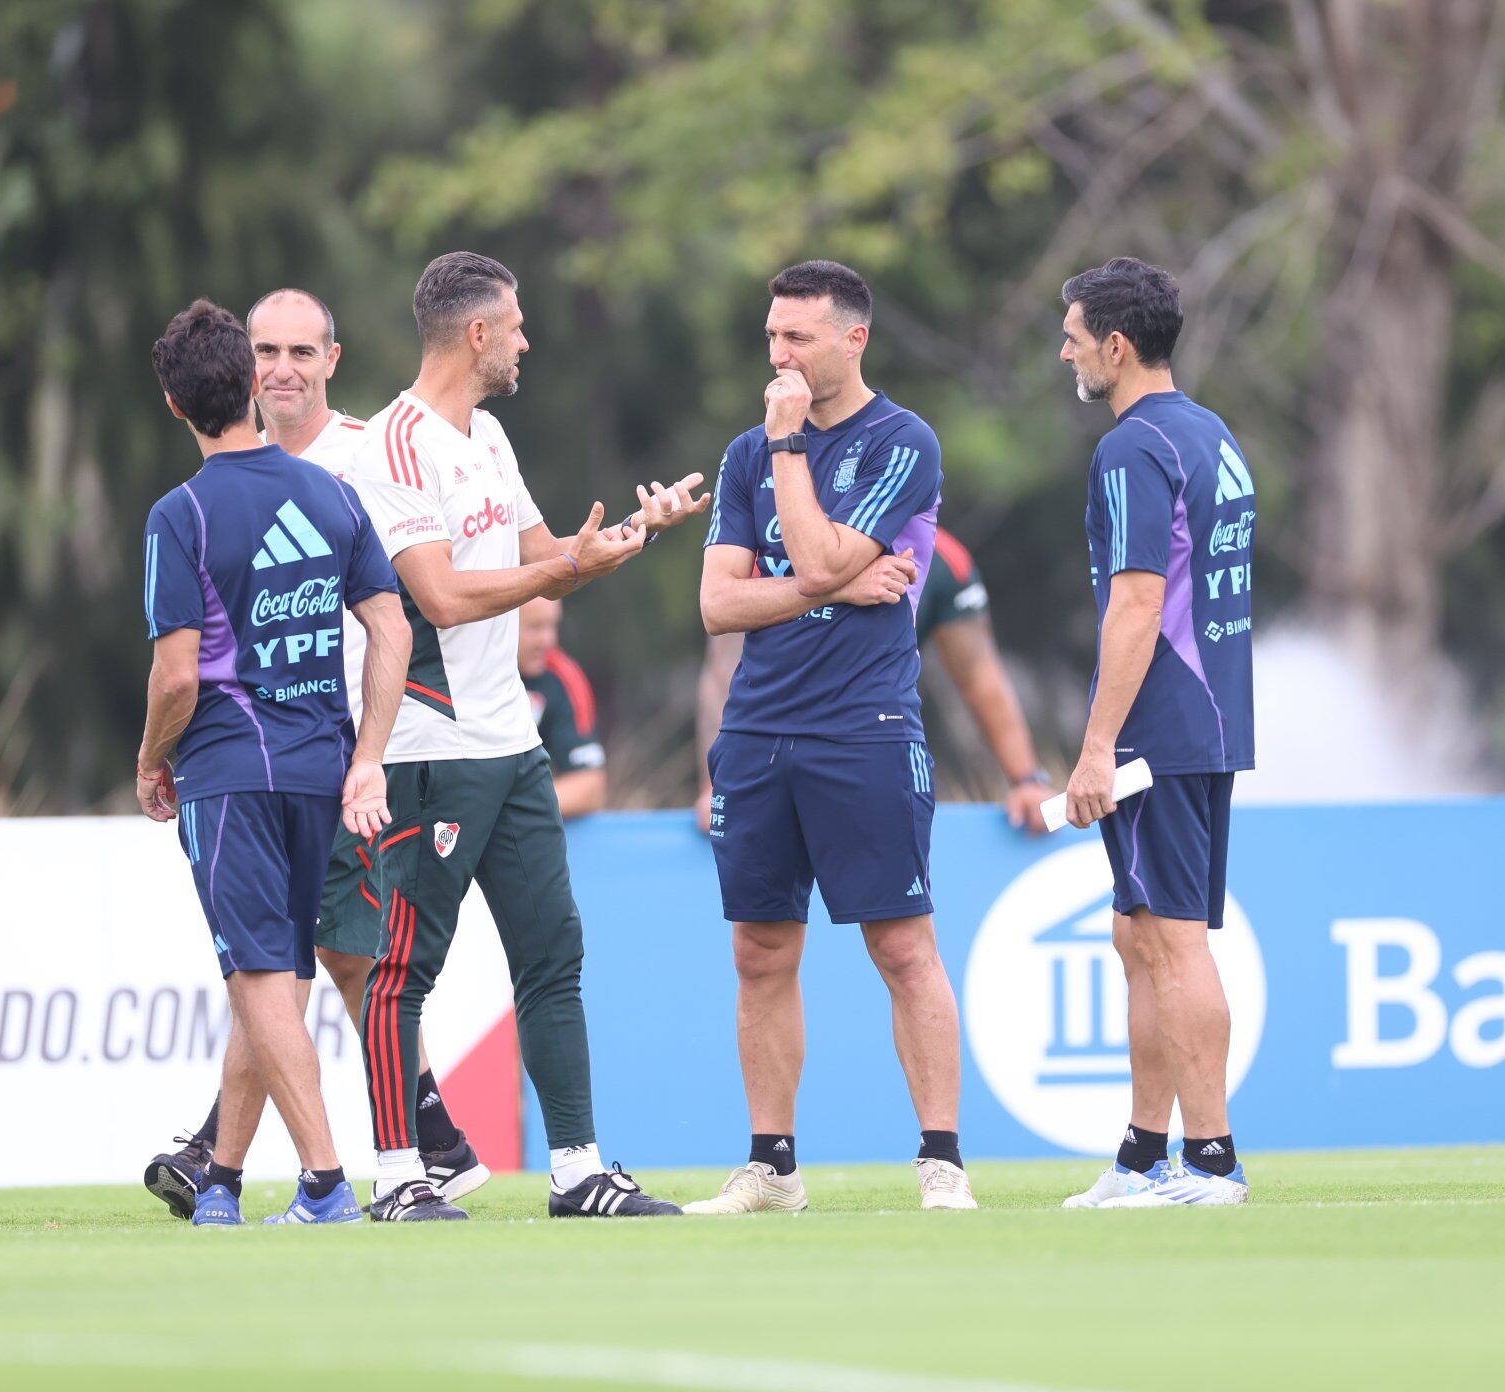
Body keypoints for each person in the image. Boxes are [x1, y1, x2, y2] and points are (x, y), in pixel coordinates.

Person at [348, 251, 703, 1220]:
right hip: (430, 751)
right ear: (476, 335)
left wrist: (634, 534)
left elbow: (549, 560)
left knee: (554, 952)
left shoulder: (491, 437)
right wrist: (554, 573)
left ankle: (579, 1168)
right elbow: (444, 595)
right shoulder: (395, 444)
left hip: (512, 747)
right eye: (515, 325)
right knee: (404, 968)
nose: (525, 341)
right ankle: (396, 1174)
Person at [139, 288, 485, 1217]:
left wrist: (147, 762)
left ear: (174, 405)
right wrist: (365, 751)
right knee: (279, 972)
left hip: (229, 770)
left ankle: (329, 1178)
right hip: (321, 771)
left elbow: (177, 678)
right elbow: (391, 623)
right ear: (252, 383)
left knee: (260, 975)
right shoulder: (328, 493)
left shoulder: (183, 514)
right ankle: (220, 1177)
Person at [688, 260, 974, 1215]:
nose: (778, 354)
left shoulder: (905, 442)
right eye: (772, 335)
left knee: (901, 945)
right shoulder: (743, 455)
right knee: (760, 952)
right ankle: (773, 1167)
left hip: (866, 725)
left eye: (798, 337)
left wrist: (791, 466)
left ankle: (941, 1160)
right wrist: (836, 582)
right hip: (759, 727)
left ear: (853, 338)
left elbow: (809, 552)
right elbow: (718, 604)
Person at [1052, 258, 1257, 1210]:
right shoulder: (1210, 433)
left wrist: (1098, 744)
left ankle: (1212, 1159)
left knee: (1171, 940)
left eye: (1074, 335)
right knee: (1139, 932)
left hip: (1159, 727)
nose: (1066, 351)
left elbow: (1138, 604)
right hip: (1207, 722)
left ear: (1116, 346)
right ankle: (1143, 1158)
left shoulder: (1131, 448)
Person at [694, 526, 1052, 835]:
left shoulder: (943, 558)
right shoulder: (769, 549)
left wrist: (1025, 780)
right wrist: (717, 786)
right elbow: (725, 669)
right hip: (770, 749)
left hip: (871, 751)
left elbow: (978, 674)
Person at [518, 596, 608, 818]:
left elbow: (590, 786)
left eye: (553, 626)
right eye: (535, 627)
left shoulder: (562, 675)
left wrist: (515, 809)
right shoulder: (458, 671)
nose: (549, 641)